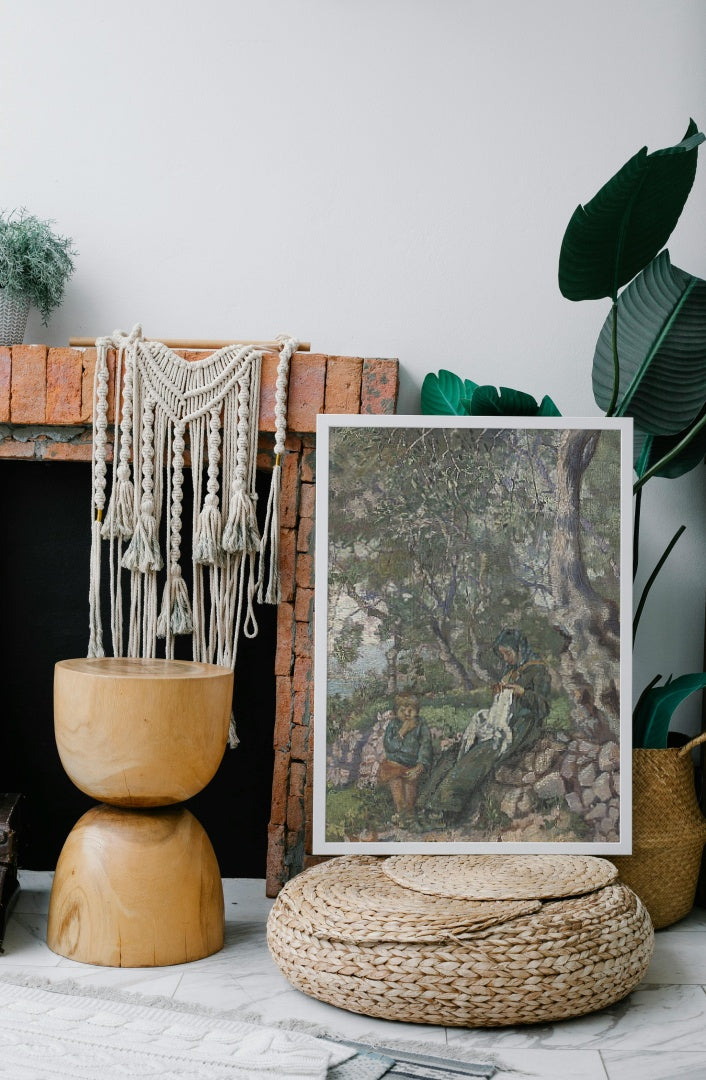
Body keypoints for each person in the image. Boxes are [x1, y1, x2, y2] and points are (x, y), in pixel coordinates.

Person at [424, 628, 551, 823]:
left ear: (520, 649)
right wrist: (500, 689)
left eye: (508, 653)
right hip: (498, 722)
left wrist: (523, 693)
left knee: (480, 753)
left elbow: (543, 707)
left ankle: (445, 809)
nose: (506, 658)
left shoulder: (538, 670)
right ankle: (425, 802)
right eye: (502, 655)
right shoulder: (511, 671)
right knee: (459, 749)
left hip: (521, 727)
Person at [378, 692, 432, 824]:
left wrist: (421, 764)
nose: (407, 713)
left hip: (412, 765)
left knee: (410, 786)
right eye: (402, 710)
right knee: (396, 783)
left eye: (411, 710)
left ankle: (409, 813)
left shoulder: (421, 724)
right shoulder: (393, 725)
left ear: (417, 711)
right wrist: (402, 732)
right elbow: (389, 746)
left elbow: (426, 745)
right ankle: (400, 812)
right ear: (396, 712)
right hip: (394, 763)